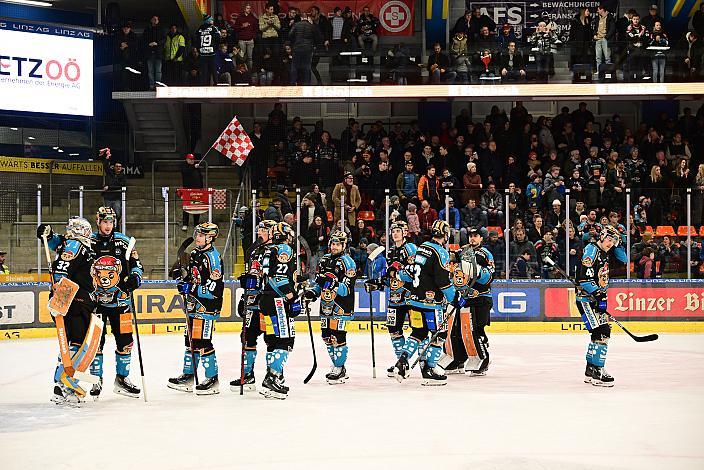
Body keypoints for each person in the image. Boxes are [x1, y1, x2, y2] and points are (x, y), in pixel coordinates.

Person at [38, 218, 97, 405]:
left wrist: (47, 233)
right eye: (86, 230)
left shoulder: (71, 243)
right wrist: (60, 297)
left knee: (70, 344)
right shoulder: (74, 244)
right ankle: (66, 383)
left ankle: (60, 386)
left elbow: (56, 240)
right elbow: (63, 269)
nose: (89, 234)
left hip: (75, 300)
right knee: (76, 344)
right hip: (74, 301)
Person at [393, 220, 457, 385]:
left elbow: (409, 272)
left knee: (418, 333)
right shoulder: (440, 252)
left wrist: (397, 274)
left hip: (414, 301)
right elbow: (443, 281)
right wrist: (455, 298)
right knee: (440, 334)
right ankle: (430, 369)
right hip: (431, 303)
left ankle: (402, 361)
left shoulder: (421, 247)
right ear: (446, 234)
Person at [168, 223, 224, 395]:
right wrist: (181, 276)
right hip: (193, 304)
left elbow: (214, 289)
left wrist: (190, 288)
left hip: (207, 306)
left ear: (210, 237)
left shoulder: (213, 258)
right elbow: (191, 276)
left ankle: (212, 378)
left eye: (200, 235)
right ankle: (189, 375)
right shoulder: (194, 253)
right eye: (197, 234)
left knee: (202, 342)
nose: (197, 238)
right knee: (190, 340)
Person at [575, 224, 628, 387]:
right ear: (602, 236)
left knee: (597, 334)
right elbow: (584, 278)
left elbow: (624, 260)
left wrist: (618, 244)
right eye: (609, 239)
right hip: (587, 299)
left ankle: (590, 371)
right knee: (603, 331)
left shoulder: (605, 252)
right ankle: (598, 370)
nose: (611, 243)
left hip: (595, 299)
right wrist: (599, 295)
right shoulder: (592, 250)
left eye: (614, 241)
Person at [304, 230, 357, 384]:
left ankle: (339, 368)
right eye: (333, 244)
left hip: (341, 306)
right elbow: (319, 284)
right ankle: (338, 365)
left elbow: (346, 289)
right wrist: (312, 293)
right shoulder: (324, 260)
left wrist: (331, 283)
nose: (334, 247)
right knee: (326, 337)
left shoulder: (348, 262)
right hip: (326, 305)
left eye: (338, 244)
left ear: (344, 245)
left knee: (338, 336)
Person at [231, 220, 277, 391]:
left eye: (264, 231)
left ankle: (272, 376)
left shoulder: (277, 251)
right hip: (252, 301)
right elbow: (253, 273)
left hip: (268, 302)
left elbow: (275, 279)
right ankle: (248, 375)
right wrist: (245, 292)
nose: (259, 233)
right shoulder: (255, 251)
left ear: (272, 233)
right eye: (259, 230)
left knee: (272, 340)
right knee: (247, 337)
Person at [255, 222, 298, 399]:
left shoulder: (268, 250)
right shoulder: (285, 249)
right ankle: (271, 378)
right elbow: (280, 276)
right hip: (278, 300)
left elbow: (268, 273)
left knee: (273, 340)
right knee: (286, 340)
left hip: (266, 299)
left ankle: (276, 376)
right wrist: (291, 296)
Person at [444, 228, 495, 375]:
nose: (472, 239)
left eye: (475, 236)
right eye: (471, 236)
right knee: (458, 331)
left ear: (481, 238)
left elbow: (488, 276)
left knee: (477, 330)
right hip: (463, 299)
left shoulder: (485, 254)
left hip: (481, 298)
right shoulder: (462, 252)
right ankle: (458, 359)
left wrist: (472, 266)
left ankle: (482, 358)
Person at [377, 221, 417, 376]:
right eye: (393, 231)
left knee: (418, 331)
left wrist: (397, 271)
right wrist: (379, 282)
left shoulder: (410, 248)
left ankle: (424, 363)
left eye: (398, 231)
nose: (395, 233)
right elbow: (390, 276)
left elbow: (415, 272)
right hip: (395, 298)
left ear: (405, 232)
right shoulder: (391, 251)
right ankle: (401, 362)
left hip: (411, 297)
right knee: (394, 329)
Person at [289, 12, 321, 86]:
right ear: (307, 18)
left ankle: (293, 83)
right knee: (307, 67)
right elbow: (318, 37)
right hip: (308, 49)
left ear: (301, 18)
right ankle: (307, 84)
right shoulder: (311, 26)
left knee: (294, 66)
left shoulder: (296, 25)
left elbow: (290, 35)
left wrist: (294, 42)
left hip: (297, 48)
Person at [180, 154, 203, 231]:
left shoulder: (197, 168)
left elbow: (200, 178)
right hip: (187, 190)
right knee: (186, 207)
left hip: (197, 190)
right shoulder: (184, 166)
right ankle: (185, 223)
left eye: (193, 159)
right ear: (187, 159)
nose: (192, 161)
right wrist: (193, 167)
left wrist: (201, 189)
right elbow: (185, 172)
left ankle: (196, 223)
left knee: (196, 207)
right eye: (190, 159)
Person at [196, 14, 221, 85]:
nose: (212, 21)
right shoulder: (214, 28)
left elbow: (196, 40)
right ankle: (216, 84)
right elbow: (218, 39)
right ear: (209, 21)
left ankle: (204, 85)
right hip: (211, 52)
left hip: (202, 52)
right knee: (213, 69)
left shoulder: (200, 29)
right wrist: (215, 48)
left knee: (204, 71)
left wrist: (199, 49)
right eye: (211, 20)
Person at [233, 3, 258, 72]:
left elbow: (256, 29)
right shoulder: (239, 17)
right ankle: (242, 72)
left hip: (250, 41)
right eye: (247, 8)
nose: (249, 9)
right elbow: (235, 28)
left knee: (250, 58)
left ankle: (249, 73)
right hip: (242, 41)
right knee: (241, 58)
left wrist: (253, 37)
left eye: (250, 8)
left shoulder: (252, 18)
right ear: (244, 9)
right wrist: (242, 26)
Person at [102, 160, 126, 226]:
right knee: (107, 214)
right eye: (117, 166)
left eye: (120, 166)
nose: (118, 167)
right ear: (114, 167)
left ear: (122, 168)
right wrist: (107, 158)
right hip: (108, 197)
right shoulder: (110, 173)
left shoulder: (123, 176)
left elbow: (120, 185)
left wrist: (109, 187)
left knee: (117, 213)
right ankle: (110, 226)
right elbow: (105, 166)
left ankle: (116, 224)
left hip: (117, 198)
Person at [143, 15, 164, 90]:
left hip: (158, 53)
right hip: (149, 53)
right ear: (151, 20)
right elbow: (143, 40)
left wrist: (157, 43)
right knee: (150, 71)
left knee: (158, 71)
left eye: (156, 19)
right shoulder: (147, 29)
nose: (155, 20)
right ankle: (151, 86)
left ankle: (158, 86)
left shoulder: (161, 29)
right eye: (153, 19)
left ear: (158, 21)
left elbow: (164, 40)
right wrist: (149, 44)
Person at [593, 5, 616, 71]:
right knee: (598, 57)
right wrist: (594, 34)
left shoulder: (610, 17)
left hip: (605, 39)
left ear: (602, 9)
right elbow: (595, 27)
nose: (597, 11)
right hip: (598, 39)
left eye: (598, 10)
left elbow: (612, 29)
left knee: (607, 57)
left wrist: (606, 37)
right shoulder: (598, 18)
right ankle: (598, 71)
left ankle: (608, 71)